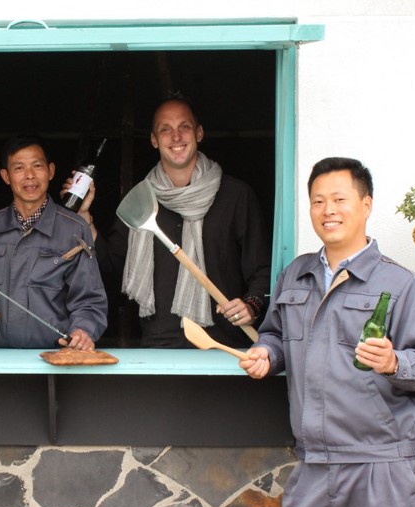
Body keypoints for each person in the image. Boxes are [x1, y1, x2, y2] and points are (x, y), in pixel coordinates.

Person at [239, 157, 415, 507]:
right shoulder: (297, 273)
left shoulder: (401, 284)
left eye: (339, 199)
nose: (327, 210)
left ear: (366, 204)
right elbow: (276, 334)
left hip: (379, 467)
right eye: (318, 201)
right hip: (314, 464)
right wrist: (266, 353)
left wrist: (395, 363)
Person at [76, 95, 271, 348]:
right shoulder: (140, 200)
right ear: (154, 140)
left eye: (184, 127)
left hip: (224, 346)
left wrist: (252, 305)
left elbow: (262, 270)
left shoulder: (235, 196)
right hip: (159, 346)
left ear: (199, 133)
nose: (176, 137)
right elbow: (113, 266)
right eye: (165, 130)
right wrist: (84, 217)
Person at [0, 134, 107, 349]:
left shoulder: (74, 229)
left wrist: (83, 331)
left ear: (51, 171)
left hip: (52, 359)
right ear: (6, 176)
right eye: (19, 168)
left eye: (37, 166)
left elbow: (90, 300)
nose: (29, 176)